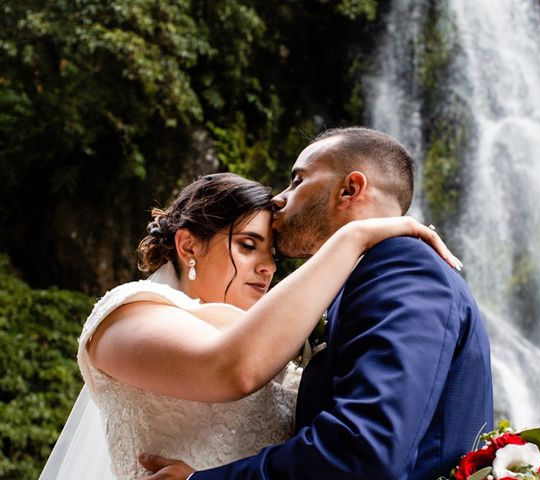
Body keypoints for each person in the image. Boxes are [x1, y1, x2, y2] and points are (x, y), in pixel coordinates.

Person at [39, 171, 460, 480]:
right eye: (247, 245)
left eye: (273, 255)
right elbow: (230, 369)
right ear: (188, 245)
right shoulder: (127, 312)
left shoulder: (280, 357)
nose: (267, 268)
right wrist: (354, 238)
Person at [140, 127, 493, 480]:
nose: (279, 198)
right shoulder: (363, 281)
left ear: (350, 189)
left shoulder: (403, 266)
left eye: (297, 180)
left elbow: (366, 447)